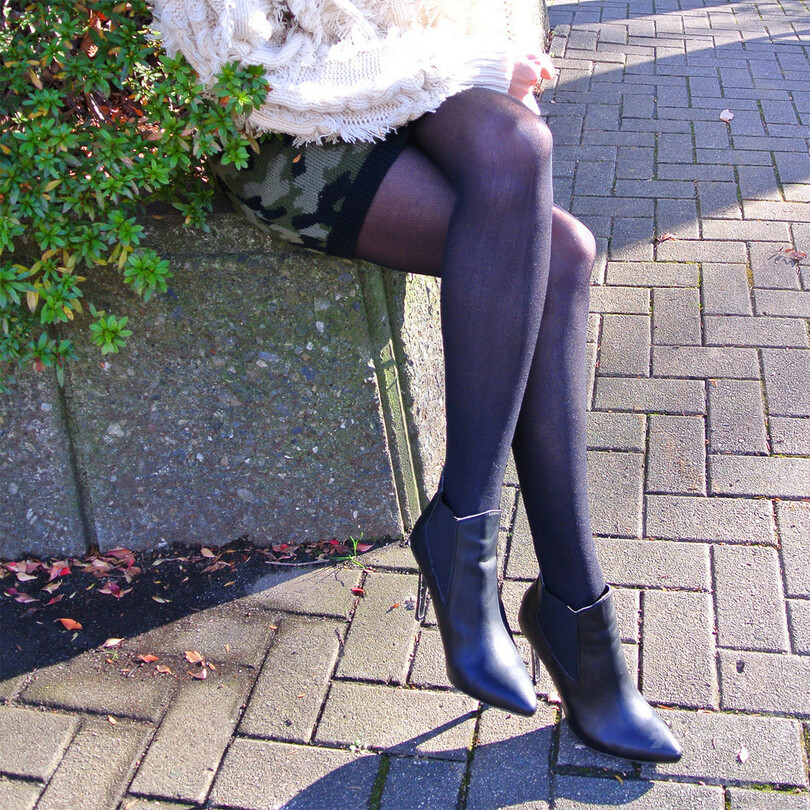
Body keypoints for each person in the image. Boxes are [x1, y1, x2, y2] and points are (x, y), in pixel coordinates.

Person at [152, 0, 682, 763]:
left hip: (417, 95)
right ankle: (531, 588)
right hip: (296, 131)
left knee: (528, 165)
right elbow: (242, 65)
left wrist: (497, 69)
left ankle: (539, 584)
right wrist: (471, 70)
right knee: (555, 243)